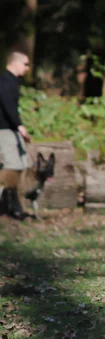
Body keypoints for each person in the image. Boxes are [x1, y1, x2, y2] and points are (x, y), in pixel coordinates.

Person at [0, 51, 31, 218]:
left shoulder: (12, 82)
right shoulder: (5, 82)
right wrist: (20, 126)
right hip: (5, 130)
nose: (27, 68)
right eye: (25, 64)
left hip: (10, 129)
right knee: (12, 167)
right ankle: (10, 207)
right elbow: (8, 106)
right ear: (16, 63)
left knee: (21, 164)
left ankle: (15, 206)